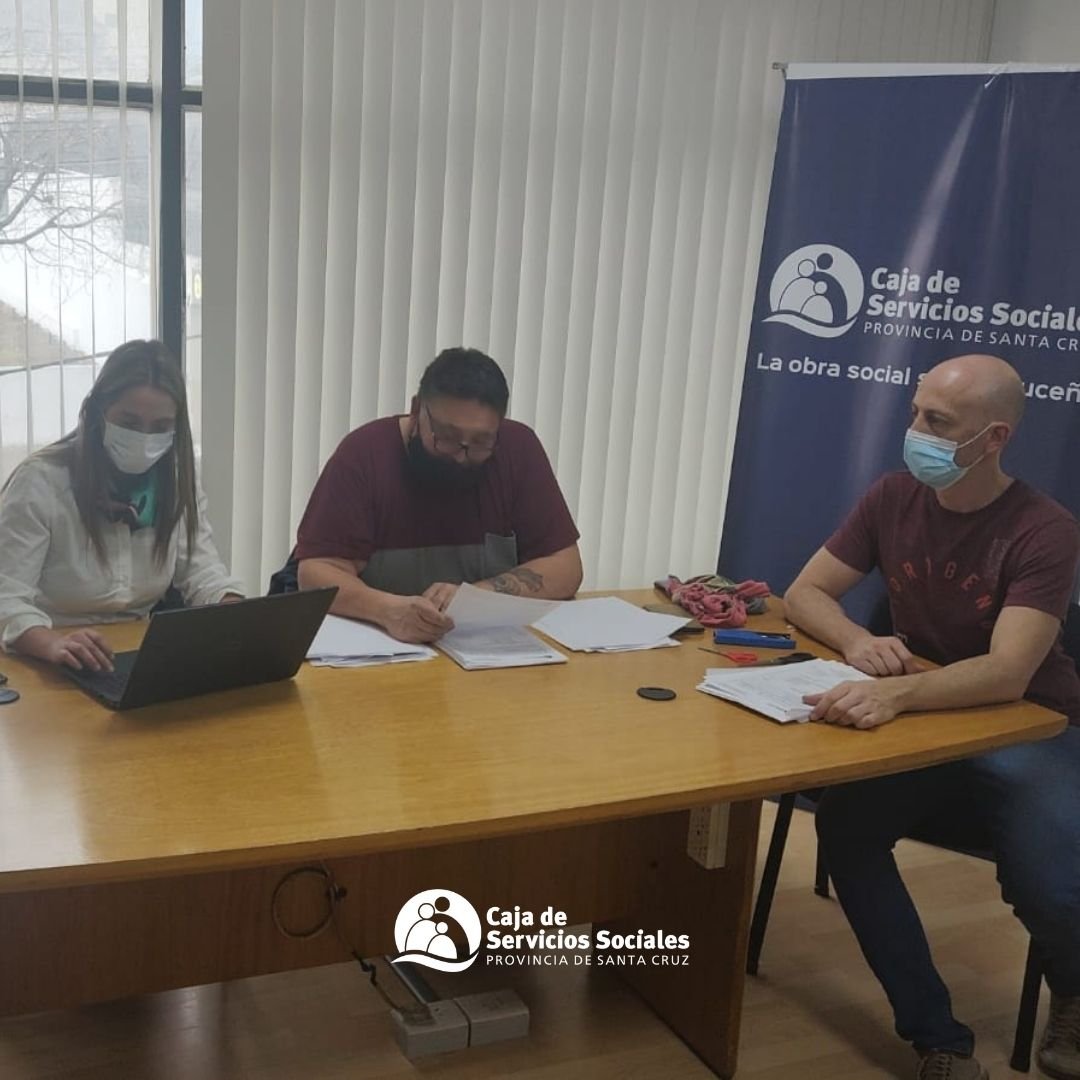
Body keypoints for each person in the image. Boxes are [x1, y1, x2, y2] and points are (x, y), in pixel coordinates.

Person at [784, 354, 1080, 1080]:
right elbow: (804, 593)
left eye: (938, 422)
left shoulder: (1045, 528)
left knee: (1047, 878)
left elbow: (1009, 674)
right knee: (846, 828)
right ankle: (938, 1040)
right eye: (916, 413)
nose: (915, 431)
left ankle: (1076, 990)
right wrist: (857, 641)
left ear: (995, 437)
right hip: (929, 720)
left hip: (1028, 722)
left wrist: (895, 695)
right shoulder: (893, 496)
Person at [291, 347, 582, 643]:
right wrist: (387, 611)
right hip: (383, 650)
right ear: (416, 409)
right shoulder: (363, 455)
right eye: (447, 437)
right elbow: (316, 572)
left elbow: (565, 566)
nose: (461, 455)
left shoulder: (518, 449)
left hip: (483, 653)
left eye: (480, 442)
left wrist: (476, 597)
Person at [0, 339, 244, 673]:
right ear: (98, 413)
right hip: (45, 656)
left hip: (137, 655)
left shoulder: (176, 480)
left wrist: (236, 614)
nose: (144, 438)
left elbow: (202, 573)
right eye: (129, 423)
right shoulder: (40, 481)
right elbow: (7, 598)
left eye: (160, 428)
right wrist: (53, 644)